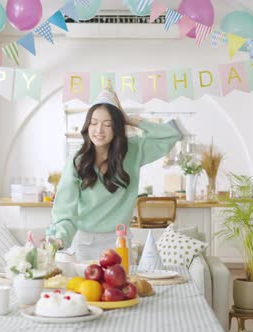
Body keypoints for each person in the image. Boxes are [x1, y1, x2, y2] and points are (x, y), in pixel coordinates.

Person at [46, 88, 184, 261]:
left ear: (117, 126)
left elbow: (172, 135)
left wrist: (130, 120)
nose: (99, 130)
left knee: (122, 287)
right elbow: (65, 210)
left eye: (108, 124)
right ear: (87, 125)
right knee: (88, 288)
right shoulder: (77, 161)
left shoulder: (133, 150)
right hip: (85, 244)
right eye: (94, 123)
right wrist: (60, 238)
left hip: (120, 243)